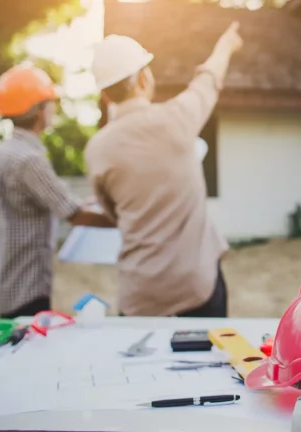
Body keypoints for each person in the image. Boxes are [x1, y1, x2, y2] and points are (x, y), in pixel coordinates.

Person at [84, 22, 243, 318]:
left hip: (139, 295)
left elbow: (113, 213)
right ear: (144, 79)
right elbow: (209, 78)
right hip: (195, 286)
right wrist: (226, 44)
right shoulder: (177, 119)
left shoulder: (97, 150)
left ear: (105, 96)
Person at [0, 63, 115, 319]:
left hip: (6, 281)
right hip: (26, 286)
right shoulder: (29, 159)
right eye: (50, 102)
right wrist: (126, 221)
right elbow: (73, 214)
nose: (54, 108)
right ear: (37, 110)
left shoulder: (2, 153)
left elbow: (50, 200)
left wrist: (93, 202)